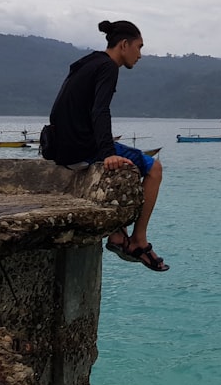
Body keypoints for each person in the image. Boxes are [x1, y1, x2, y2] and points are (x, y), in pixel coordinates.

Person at [47, 19, 169, 272]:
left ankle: (116, 235)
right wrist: (107, 153)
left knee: (128, 162)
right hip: (84, 149)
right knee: (154, 169)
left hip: (61, 149)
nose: (140, 55)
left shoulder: (88, 62)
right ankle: (138, 239)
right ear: (124, 45)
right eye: (139, 47)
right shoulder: (108, 67)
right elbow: (100, 111)